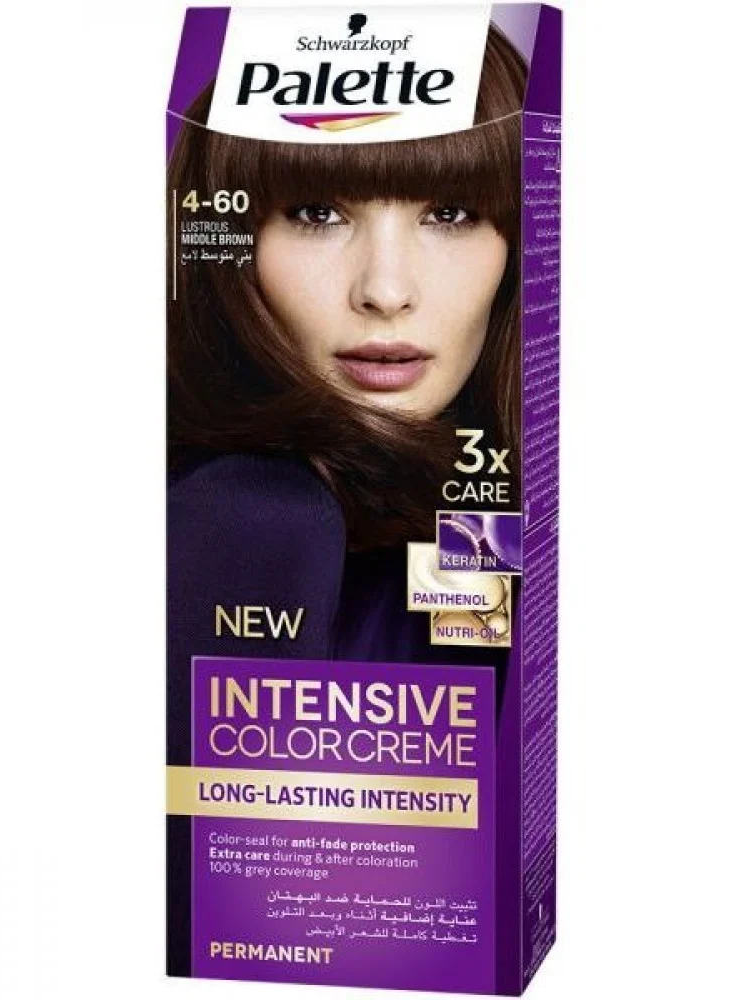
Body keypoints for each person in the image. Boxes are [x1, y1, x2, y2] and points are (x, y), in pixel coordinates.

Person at [167, 25, 527, 671]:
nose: (385, 292)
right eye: (316, 213)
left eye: (449, 214)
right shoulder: (252, 514)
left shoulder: (479, 524)